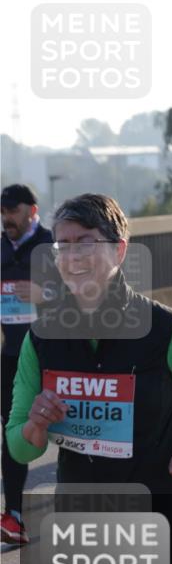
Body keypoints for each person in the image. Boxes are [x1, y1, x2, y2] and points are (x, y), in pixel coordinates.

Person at [7, 193, 172, 564]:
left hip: (153, 515)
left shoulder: (168, 329)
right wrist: (36, 425)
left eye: (85, 242)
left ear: (120, 249)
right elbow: (20, 448)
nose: (72, 256)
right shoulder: (41, 336)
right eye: (62, 245)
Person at [0, 184, 52, 545]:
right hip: (10, 356)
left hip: (52, 355)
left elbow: (83, 293)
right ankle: (14, 515)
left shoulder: (52, 244)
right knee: (12, 430)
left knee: (71, 435)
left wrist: (44, 295)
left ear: (32, 211)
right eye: (2, 211)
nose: (6, 218)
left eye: (12, 211)